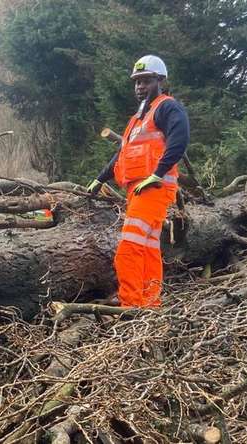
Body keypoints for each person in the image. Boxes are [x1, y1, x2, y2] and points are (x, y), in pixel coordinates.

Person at [86, 55, 190, 308]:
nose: (140, 87)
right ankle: (150, 303)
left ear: (160, 81)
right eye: (137, 82)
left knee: (129, 249)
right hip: (137, 188)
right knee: (148, 247)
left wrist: (157, 174)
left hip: (153, 187)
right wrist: (100, 179)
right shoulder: (137, 120)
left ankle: (131, 306)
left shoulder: (167, 107)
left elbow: (180, 138)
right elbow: (122, 154)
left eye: (146, 81)